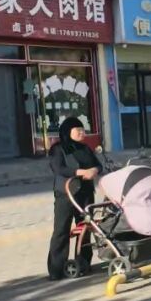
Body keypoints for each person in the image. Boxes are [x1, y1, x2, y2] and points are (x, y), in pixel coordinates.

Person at [46, 116, 101, 279]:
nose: (82, 133)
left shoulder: (85, 148)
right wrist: (80, 172)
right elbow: (58, 168)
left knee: (85, 228)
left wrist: (95, 170)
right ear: (67, 132)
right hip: (66, 193)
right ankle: (56, 269)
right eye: (78, 130)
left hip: (85, 193)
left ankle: (83, 263)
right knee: (61, 230)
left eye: (83, 129)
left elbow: (98, 164)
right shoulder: (58, 149)